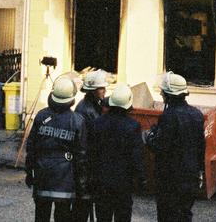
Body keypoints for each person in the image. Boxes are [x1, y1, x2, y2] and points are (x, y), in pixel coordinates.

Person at [26, 76, 88, 222]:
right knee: (63, 216)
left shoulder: (41, 116)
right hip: (65, 181)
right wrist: (82, 184)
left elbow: (31, 147)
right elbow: (81, 156)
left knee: (41, 216)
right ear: (71, 98)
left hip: (43, 177)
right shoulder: (78, 121)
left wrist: (29, 173)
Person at [145, 72, 205, 222]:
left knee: (167, 215)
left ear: (167, 95)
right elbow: (200, 147)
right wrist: (200, 172)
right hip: (190, 176)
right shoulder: (196, 114)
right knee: (184, 214)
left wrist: (148, 137)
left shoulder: (168, 116)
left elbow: (160, 147)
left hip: (170, 179)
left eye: (163, 92)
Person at [88, 84, 145, 222]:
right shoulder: (133, 126)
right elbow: (136, 157)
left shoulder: (97, 124)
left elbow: (91, 154)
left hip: (101, 181)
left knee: (103, 217)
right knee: (123, 217)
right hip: (123, 183)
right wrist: (141, 178)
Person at [74, 70, 109, 222]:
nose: (104, 91)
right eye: (101, 88)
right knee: (82, 206)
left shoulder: (94, 105)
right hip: (87, 163)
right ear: (93, 90)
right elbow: (85, 140)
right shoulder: (84, 110)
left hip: (93, 162)